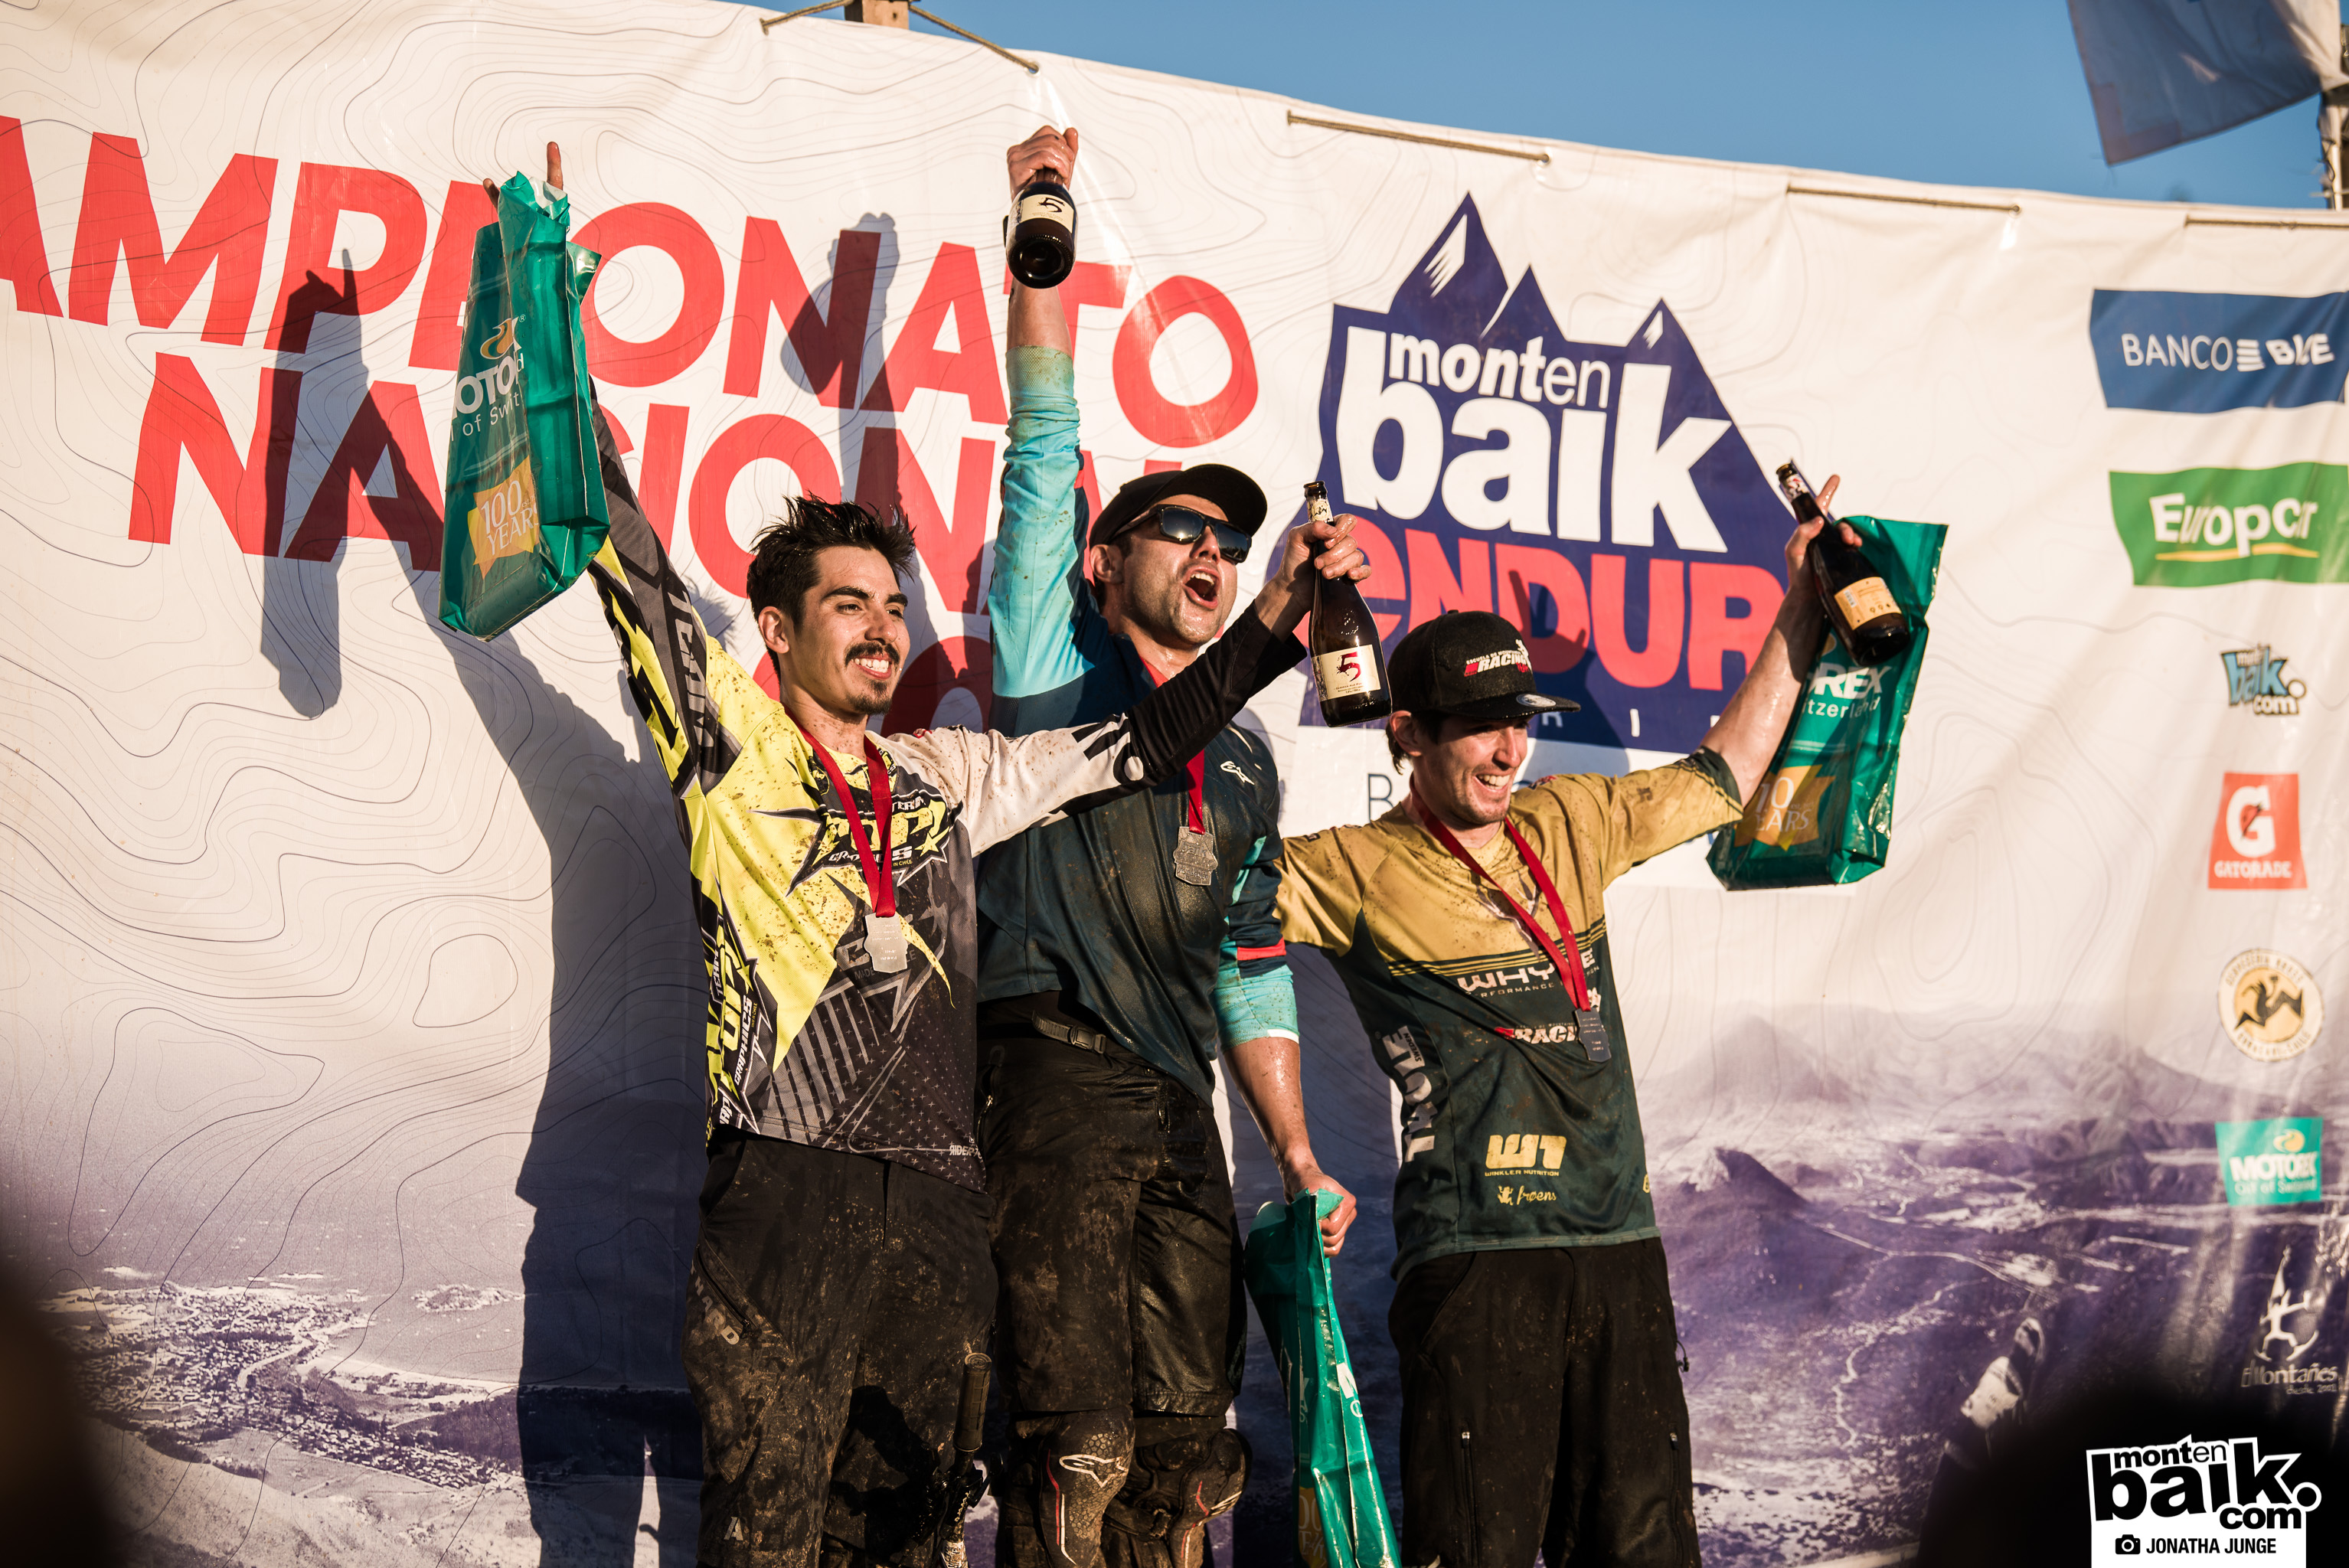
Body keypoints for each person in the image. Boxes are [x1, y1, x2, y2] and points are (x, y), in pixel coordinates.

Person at [505, 140, 1369, 1568]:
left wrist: (1277, 626)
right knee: (768, 1539)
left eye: (892, 606)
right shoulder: (732, 745)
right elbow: (628, 563)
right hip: (786, 1180)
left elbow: (1140, 746)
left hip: (941, 1201)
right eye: (846, 604)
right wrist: (548, 319)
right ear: (775, 631)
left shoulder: (948, 776)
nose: (880, 627)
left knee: (910, 1541)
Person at [1276, 488, 1860, 1566]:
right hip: (1476, 1262)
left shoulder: (1572, 818)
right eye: (1478, 726)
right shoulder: (1349, 867)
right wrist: (1276, 620)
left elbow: (1726, 775)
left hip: (1619, 1252)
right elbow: (1195, 892)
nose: (1509, 751)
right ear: (1407, 735)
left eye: (1521, 721)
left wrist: (1804, 601)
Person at [978, 124, 1361, 1568]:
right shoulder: (1049, 660)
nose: (1210, 552)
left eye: (1229, 541)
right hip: (1049, 1080)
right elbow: (1042, 448)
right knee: (1073, 1453)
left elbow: (1251, 961)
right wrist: (1040, 227)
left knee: (1192, 1467)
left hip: (1176, 1099)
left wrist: (1299, 1154)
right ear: (1102, 561)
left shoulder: (1250, 753)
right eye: (1176, 530)